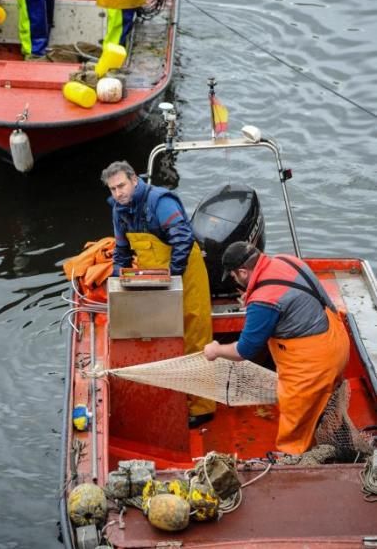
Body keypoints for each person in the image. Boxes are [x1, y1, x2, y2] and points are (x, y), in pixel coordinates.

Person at [204, 241, 350, 454]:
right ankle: (322, 434)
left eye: (234, 276)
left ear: (243, 272)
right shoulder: (286, 260)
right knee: (323, 405)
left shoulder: (264, 300)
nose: (234, 280)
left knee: (294, 424)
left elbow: (244, 351)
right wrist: (255, 299)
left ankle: (293, 467)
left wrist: (215, 350)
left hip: (313, 365)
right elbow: (308, 298)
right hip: (337, 341)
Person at [101, 160, 216, 428]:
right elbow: (121, 251)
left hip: (185, 271)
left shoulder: (160, 202)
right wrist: (119, 282)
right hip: (155, 278)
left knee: (194, 333)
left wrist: (173, 276)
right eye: (113, 188)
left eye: (121, 186)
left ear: (134, 180)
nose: (118, 193)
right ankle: (174, 395)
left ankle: (202, 407)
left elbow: (182, 238)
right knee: (162, 335)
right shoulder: (119, 210)